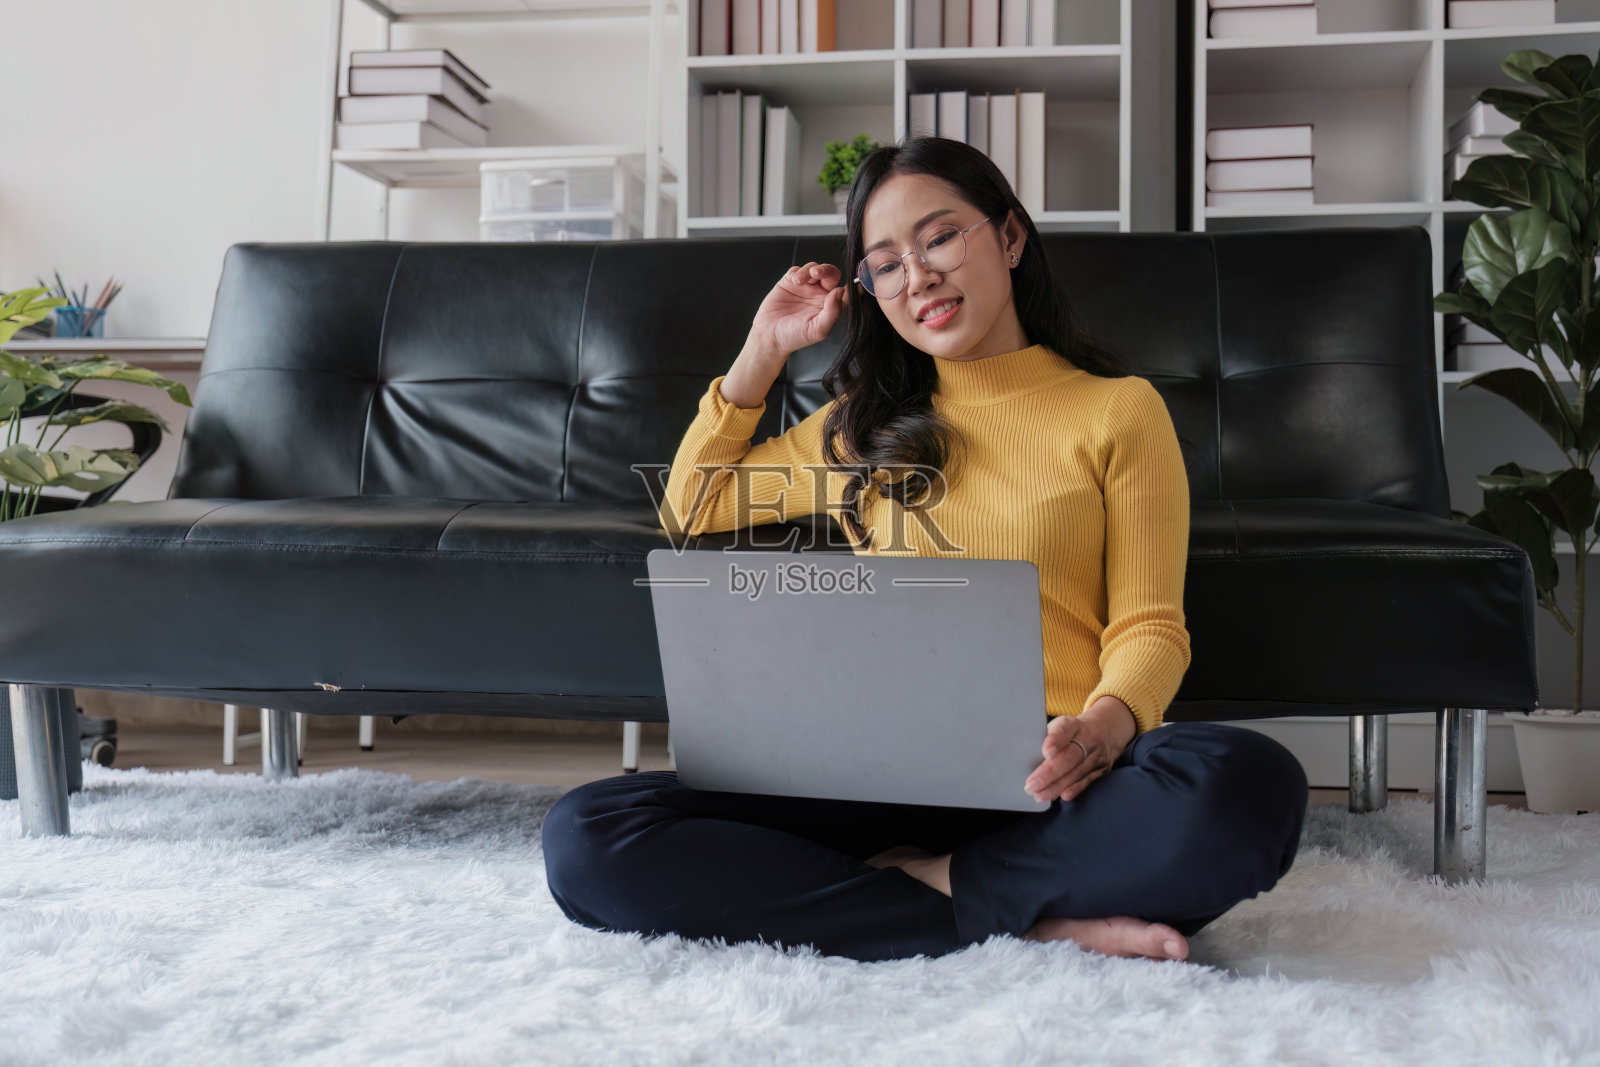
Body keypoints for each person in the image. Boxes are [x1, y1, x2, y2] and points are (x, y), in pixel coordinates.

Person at [542, 136, 1308, 964]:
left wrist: (1104, 727)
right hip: (875, 770)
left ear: (1009, 237)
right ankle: (1015, 910)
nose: (918, 278)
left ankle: (926, 889)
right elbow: (690, 507)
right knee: (589, 834)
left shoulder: (1118, 411)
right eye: (886, 264)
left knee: (1246, 785)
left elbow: (1150, 624)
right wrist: (762, 350)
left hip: (1053, 776)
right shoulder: (861, 428)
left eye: (940, 238)